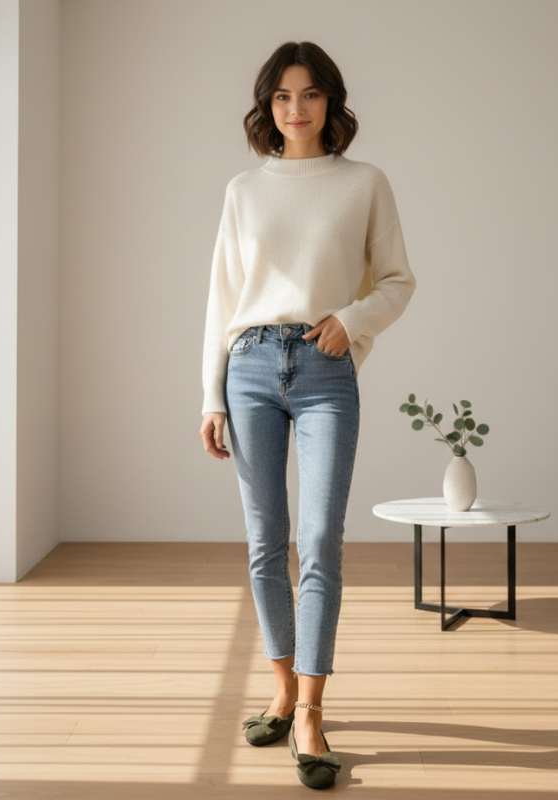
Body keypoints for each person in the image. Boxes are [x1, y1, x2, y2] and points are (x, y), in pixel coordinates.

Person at [200, 41, 415, 790]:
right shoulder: (243, 190)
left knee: (320, 540)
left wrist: (350, 319)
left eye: (312, 94)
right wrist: (208, 394)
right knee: (267, 542)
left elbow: (397, 279)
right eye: (284, 96)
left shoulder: (364, 183)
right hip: (251, 368)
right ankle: (283, 687)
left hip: (327, 371)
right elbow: (221, 302)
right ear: (268, 105)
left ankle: (314, 712)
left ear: (332, 103)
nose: (297, 108)